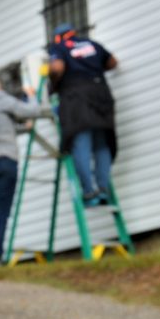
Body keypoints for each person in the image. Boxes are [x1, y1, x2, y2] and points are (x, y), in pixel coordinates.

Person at [0, 72, 53, 266]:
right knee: (1, 211)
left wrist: (19, 126)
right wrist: (31, 94)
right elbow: (33, 111)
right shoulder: (2, 99)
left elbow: (0, 126)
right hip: (4, 159)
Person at [48, 24, 118, 207]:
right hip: (101, 94)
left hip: (76, 98)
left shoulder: (59, 47)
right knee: (102, 143)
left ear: (58, 37)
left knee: (81, 143)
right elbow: (113, 63)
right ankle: (103, 189)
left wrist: (51, 82)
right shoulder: (92, 44)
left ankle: (89, 192)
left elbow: (56, 69)